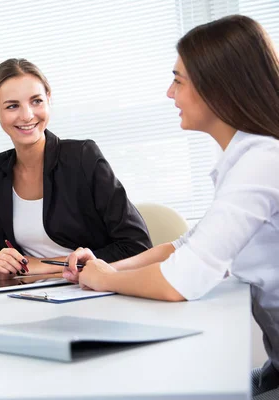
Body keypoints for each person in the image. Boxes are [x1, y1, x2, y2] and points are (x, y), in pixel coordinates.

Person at [63, 15, 279, 398]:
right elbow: (182, 247)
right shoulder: (246, 159)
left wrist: (106, 279)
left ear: (219, 88)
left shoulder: (262, 161)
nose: (169, 93)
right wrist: (106, 266)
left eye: (178, 81)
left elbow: (180, 280)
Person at [0, 58, 152, 281]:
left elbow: (138, 245)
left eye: (36, 101)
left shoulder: (82, 157)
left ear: (49, 99)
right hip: (29, 294)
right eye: (12, 106)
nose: (27, 115)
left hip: (95, 290)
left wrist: (45, 266)